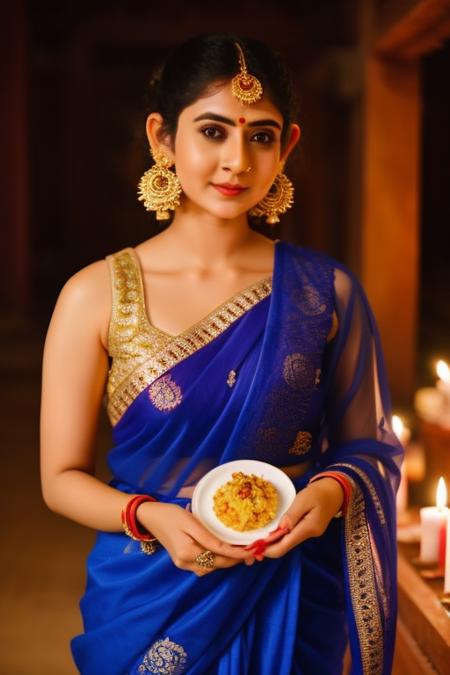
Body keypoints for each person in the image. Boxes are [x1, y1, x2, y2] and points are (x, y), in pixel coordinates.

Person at [40, 33, 403, 675]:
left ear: (287, 146)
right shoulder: (93, 295)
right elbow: (59, 479)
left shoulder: (326, 294)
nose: (237, 160)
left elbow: (367, 449)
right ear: (162, 138)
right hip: (150, 590)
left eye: (261, 136)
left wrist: (324, 496)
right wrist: (149, 516)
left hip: (289, 589)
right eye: (213, 132)